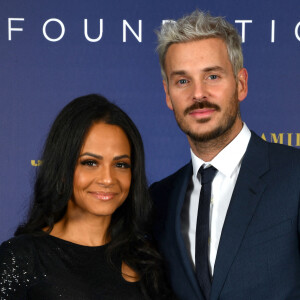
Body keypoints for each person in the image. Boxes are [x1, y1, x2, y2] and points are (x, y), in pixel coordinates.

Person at [150, 10, 300, 300]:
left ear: (240, 84)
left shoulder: (295, 176)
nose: (199, 94)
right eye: (182, 81)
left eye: (213, 76)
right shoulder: (159, 199)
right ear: (168, 95)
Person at [0, 94, 171, 299]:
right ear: (62, 169)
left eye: (121, 164)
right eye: (90, 162)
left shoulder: (146, 260)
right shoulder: (22, 258)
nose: (108, 179)